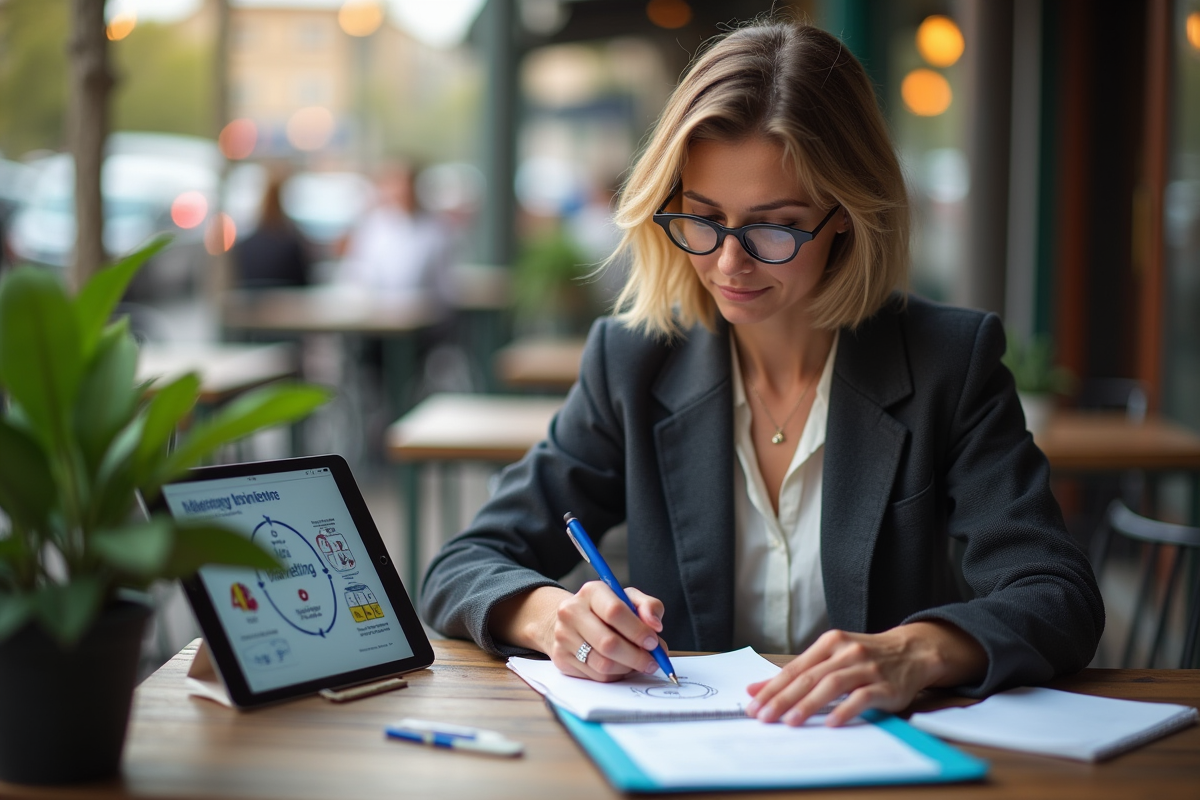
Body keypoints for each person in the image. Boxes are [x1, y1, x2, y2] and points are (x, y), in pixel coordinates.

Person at [419, 20, 1104, 728]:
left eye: (773, 226)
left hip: (883, 759)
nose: (727, 263)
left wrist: (917, 651)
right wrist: (554, 616)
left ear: (846, 217)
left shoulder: (946, 363)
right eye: (703, 218)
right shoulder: (632, 363)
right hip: (690, 757)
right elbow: (463, 565)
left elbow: (1057, 594)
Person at [232, 174, 311, 290]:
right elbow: (303, 284)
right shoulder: (291, 244)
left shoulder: (245, 245)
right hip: (286, 304)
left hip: (253, 306)